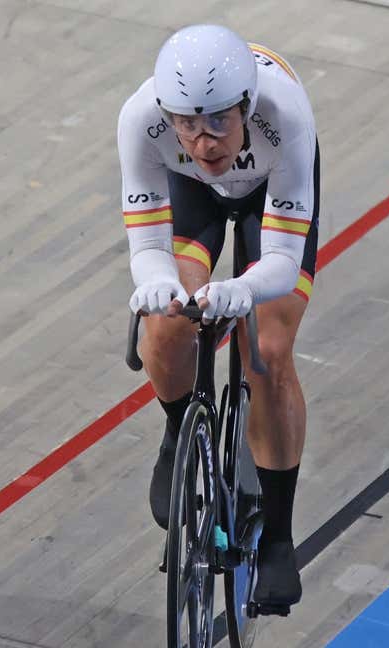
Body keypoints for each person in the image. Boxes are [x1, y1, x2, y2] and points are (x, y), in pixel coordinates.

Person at [117, 23, 319, 609]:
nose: (203, 143)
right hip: (190, 195)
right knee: (168, 323)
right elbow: (146, 247)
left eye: (218, 124)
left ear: (246, 106)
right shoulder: (140, 121)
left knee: (268, 353)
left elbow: (281, 261)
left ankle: (278, 539)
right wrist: (156, 285)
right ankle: (181, 431)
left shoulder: (285, 117)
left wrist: (243, 289)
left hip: (270, 198)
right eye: (186, 125)